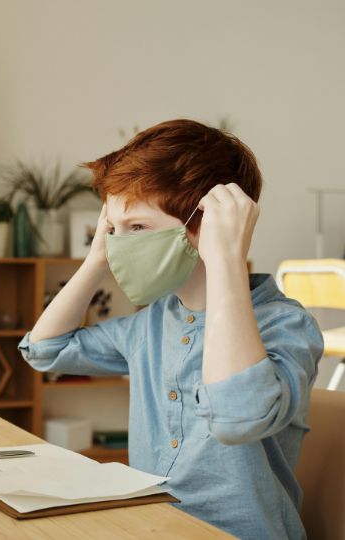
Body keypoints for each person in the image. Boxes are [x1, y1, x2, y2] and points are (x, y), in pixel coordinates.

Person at [19, 119, 323, 539]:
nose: (119, 244)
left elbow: (237, 419)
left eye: (137, 228)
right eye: (113, 229)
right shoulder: (151, 323)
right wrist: (96, 261)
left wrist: (226, 260)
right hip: (152, 528)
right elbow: (45, 350)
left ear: (205, 224)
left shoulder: (287, 325)